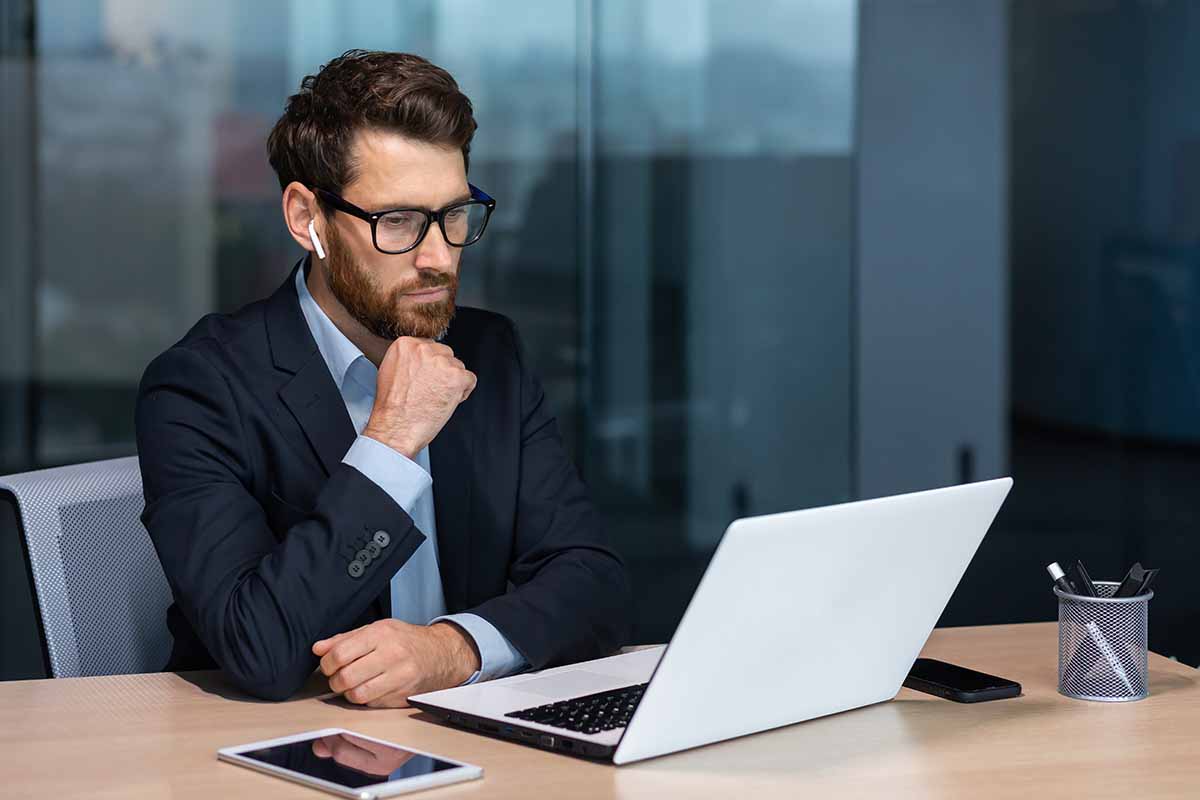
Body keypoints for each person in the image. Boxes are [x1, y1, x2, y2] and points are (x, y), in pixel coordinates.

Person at [135, 50, 631, 704]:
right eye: (397, 221)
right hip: (273, 752)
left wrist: (453, 649)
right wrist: (391, 440)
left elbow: (594, 582)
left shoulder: (490, 353)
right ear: (306, 219)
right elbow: (256, 647)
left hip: (460, 735)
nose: (439, 258)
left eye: (454, 215)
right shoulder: (201, 386)